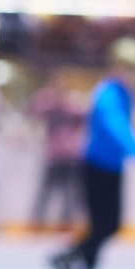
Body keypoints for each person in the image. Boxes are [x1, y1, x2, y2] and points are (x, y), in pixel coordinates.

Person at [51, 37, 135, 269]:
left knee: (108, 226)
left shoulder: (124, 93)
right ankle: (75, 267)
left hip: (112, 168)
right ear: (118, 66)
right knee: (103, 226)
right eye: (132, 68)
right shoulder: (107, 93)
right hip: (96, 167)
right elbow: (117, 127)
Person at [27, 72, 87, 230]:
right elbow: (31, 113)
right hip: (53, 153)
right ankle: (37, 221)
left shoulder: (73, 103)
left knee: (69, 192)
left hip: (71, 154)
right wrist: (46, 98)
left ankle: (65, 222)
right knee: (46, 190)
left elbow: (85, 119)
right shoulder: (47, 102)